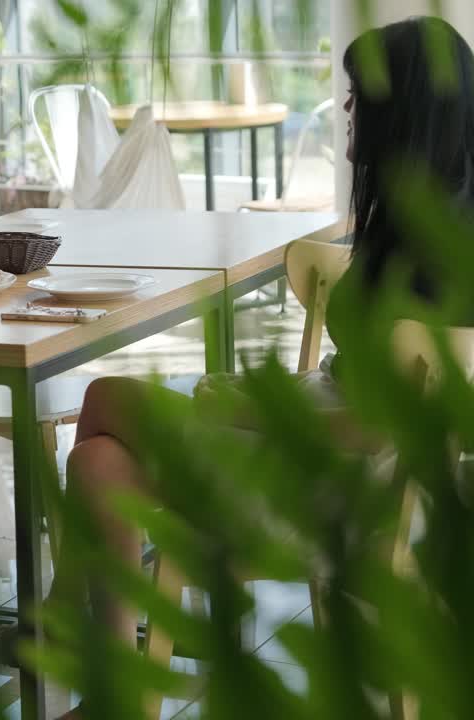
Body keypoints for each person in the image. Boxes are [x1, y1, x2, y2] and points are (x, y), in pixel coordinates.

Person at [59, 15, 474, 647]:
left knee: (103, 400)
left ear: (403, 113)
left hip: (342, 489)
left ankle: (65, 629)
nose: (345, 105)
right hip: (384, 476)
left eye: (359, 93)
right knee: (97, 463)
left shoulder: (432, 254)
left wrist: (247, 406)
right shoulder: (442, 219)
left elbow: (377, 424)